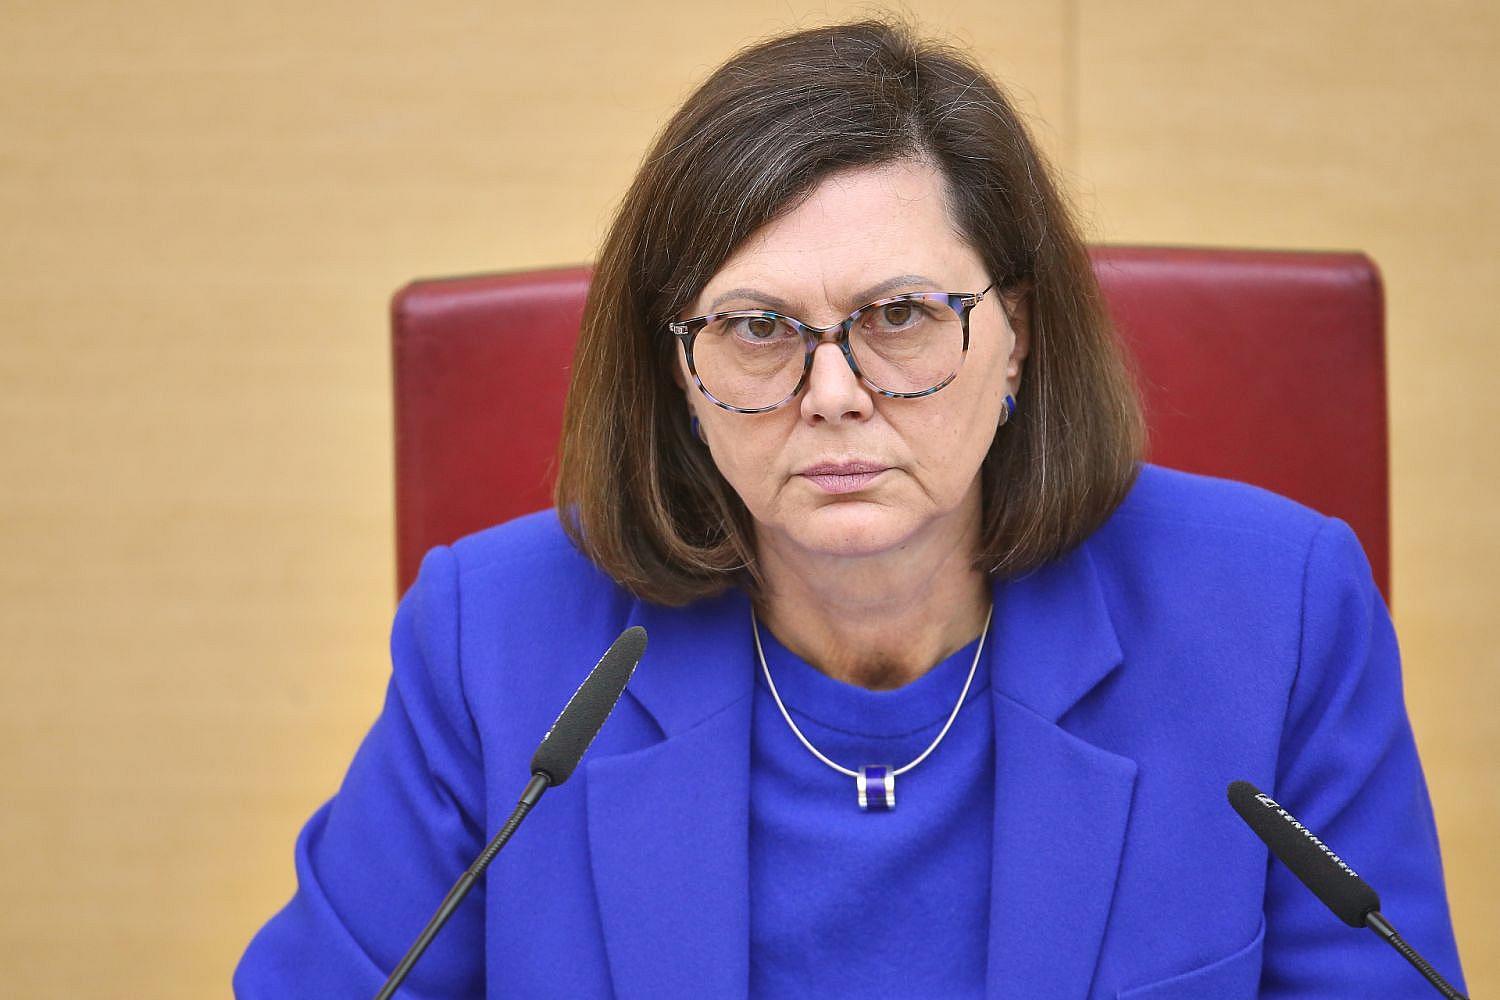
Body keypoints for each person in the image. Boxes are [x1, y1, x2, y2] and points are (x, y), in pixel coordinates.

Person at [234, 17, 1467, 999]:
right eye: (757, 328)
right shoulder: (493, 643)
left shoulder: (1277, 617)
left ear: (1019, 337)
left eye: (901, 316)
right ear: (681, 371)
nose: (833, 394)